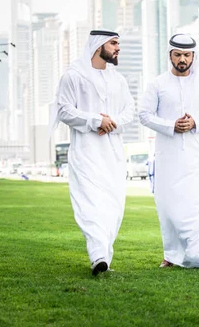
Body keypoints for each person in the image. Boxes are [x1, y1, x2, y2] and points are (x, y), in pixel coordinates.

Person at [51, 30, 135, 275]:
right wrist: (95, 120)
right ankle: (98, 255)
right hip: (86, 151)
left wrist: (112, 122)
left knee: (114, 205)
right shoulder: (74, 76)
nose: (118, 48)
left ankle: (103, 256)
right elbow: (64, 111)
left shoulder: (118, 80)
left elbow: (130, 111)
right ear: (99, 46)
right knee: (89, 203)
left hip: (114, 153)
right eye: (114, 43)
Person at [138, 33, 199, 272]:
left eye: (187, 55)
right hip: (168, 155)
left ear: (194, 56)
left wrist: (195, 123)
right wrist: (170, 126)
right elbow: (144, 115)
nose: (182, 59)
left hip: (196, 155)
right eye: (178, 55)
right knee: (168, 206)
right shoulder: (157, 84)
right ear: (170, 56)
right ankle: (171, 255)